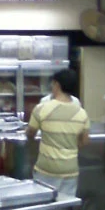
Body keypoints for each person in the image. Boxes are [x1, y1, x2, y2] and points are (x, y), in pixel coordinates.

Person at [25, 68, 89, 196]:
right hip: (70, 170)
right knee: (65, 207)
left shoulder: (42, 108)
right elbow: (84, 141)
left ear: (57, 85)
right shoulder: (82, 113)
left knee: (43, 207)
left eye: (52, 83)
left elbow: (30, 134)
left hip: (46, 169)